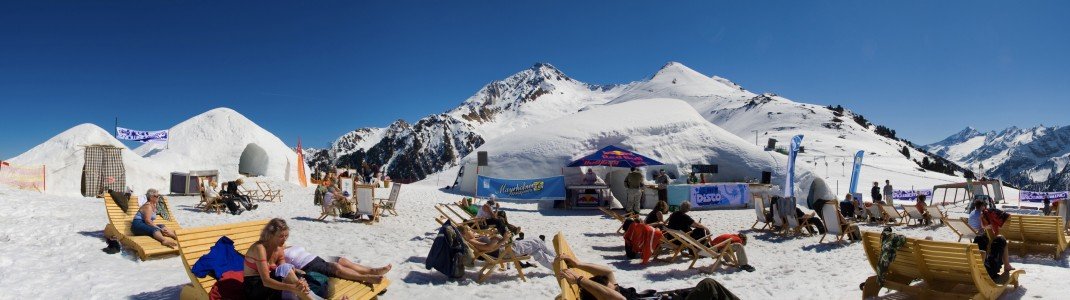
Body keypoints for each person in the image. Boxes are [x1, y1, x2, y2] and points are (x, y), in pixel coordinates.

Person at [556, 254, 739, 300]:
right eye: (608, 286)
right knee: (708, 285)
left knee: (714, 292)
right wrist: (580, 281)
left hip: (669, 296)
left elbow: (607, 272)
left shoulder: (617, 291)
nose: (613, 284)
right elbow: (615, 297)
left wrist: (577, 264)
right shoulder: (615, 297)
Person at [243, 218, 311, 299]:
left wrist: (300, 282)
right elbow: (266, 281)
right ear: (270, 235)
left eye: (286, 235)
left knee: (298, 278)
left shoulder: (279, 248)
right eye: (281, 236)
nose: (285, 239)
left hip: (270, 289)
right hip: (254, 288)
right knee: (295, 284)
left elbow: (286, 271)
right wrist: (293, 287)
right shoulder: (260, 248)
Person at [283, 246, 391, 284]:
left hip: (317, 258)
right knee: (336, 267)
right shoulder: (277, 253)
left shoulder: (289, 246)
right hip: (308, 265)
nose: (283, 238)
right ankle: (365, 277)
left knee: (342, 260)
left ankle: (371, 271)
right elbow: (283, 268)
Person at [460, 227, 554, 269]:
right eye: (468, 230)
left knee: (535, 242)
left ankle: (555, 259)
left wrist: (496, 237)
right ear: (465, 235)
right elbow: (489, 248)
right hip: (506, 252)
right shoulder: (471, 241)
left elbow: (489, 245)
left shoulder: (475, 238)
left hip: (506, 248)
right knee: (536, 244)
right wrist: (503, 239)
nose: (471, 230)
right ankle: (555, 262)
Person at [967, 200, 1014, 279]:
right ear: (982, 206)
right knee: (1000, 240)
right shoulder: (982, 214)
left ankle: (1006, 265)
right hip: (988, 272)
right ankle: (1007, 265)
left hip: (974, 234)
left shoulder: (972, 213)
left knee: (980, 239)